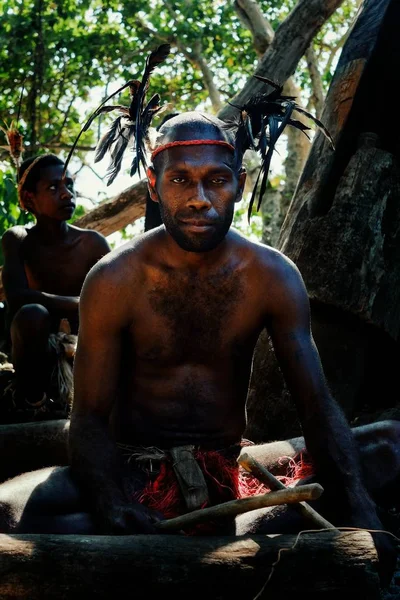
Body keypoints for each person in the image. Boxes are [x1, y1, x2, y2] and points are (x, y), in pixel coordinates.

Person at [0, 112, 398, 587]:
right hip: (132, 469)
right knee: (7, 511)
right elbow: (86, 419)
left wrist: (361, 512)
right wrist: (111, 503)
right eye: (179, 180)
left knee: (389, 445)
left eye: (217, 181)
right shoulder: (113, 279)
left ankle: (221, 534)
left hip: (229, 467)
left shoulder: (272, 275)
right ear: (153, 185)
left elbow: (315, 406)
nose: (199, 199)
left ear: (240, 183)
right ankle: (227, 537)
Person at [0, 153, 111, 417]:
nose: (66, 194)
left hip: (85, 352)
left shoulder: (92, 244)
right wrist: (81, 304)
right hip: (37, 354)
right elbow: (17, 299)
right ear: (29, 199)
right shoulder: (18, 239)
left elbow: (113, 301)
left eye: (69, 185)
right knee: (32, 315)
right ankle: (33, 401)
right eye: (53, 187)